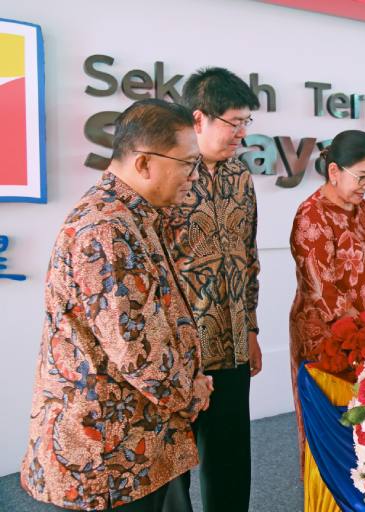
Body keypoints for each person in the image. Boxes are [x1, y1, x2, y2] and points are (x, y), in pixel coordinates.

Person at [20, 99, 212, 511]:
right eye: (187, 165)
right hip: (110, 455)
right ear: (144, 163)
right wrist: (192, 392)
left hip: (139, 443)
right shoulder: (106, 229)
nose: (192, 179)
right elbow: (137, 352)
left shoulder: (132, 215)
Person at [162, 67, 260, 512]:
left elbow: (249, 256)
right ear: (199, 118)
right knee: (171, 470)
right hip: (179, 351)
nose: (241, 133)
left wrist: (252, 329)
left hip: (233, 344)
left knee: (231, 462)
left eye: (246, 123)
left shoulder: (241, 175)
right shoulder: (168, 175)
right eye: (233, 122)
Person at [289, 130, 365, 477]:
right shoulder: (311, 216)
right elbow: (323, 293)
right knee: (337, 428)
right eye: (361, 177)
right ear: (334, 171)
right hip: (331, 343)